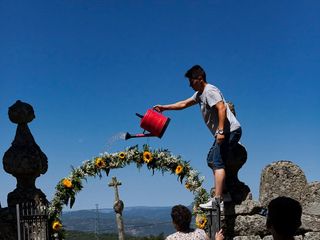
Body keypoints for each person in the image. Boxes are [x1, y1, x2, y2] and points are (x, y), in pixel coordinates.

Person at [154, 65, 242, 211]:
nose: (189, 85)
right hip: (224, 132)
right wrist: (164, 108)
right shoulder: (199, 94)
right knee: (211, 160)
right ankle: (224, 194)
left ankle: (218, 201)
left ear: (200, 79)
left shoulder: (210, 91)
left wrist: (220, 131)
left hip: (229, 131)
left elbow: (222, 108)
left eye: (191, 81)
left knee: (217, 161)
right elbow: (183, 104)